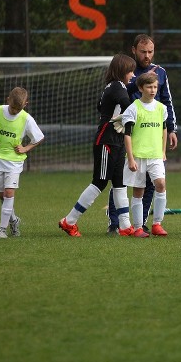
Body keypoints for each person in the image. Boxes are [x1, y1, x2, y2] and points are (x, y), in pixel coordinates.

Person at [59, 53, 136, 237]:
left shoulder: (114, 86)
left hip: (116, 140)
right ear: (122, 70)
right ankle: (69, 221)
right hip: (106, 141)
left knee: (120, 183)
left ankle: (125, 226)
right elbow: (129, 106)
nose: (133, 75)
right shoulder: (117, 86)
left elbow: (101, 106)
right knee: (100, 182)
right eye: (131, 71)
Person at [107, 34, 177, 233]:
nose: (147, 56)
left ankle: (141, 222)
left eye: (150, 52)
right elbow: (117, 95)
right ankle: (115, 222)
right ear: (133, 50)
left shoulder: (160, 72)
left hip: (152, 135)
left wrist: (171, 129)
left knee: (150, 182)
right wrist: (136, 80)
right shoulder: (126, 71)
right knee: (121, 179)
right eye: (143, 52)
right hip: (125, 132)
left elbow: (167, 101)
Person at [0, 87, 44, 238]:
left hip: (14, 162)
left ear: (25, 104)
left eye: (18, 108)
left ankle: (2, 229)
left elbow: (39, 137)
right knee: (2, 195)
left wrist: (26, 148)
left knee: (9, 192)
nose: (15, 111)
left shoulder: (26, 118)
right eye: (13, 107)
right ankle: (14, 220)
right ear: (7, 100)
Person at [116, 72, 169, 237]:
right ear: (140, 88)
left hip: (155, 156)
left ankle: (157, 224)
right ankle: (138, 227)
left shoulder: (161, 108)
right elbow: (127, 134)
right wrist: (130, 158)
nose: (153, 90)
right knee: (139, 191)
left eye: (155, 87)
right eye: (149, 87)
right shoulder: (133, 108)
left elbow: (164, 129)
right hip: (138, 156)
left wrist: (163, 151)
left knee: (160, 184)